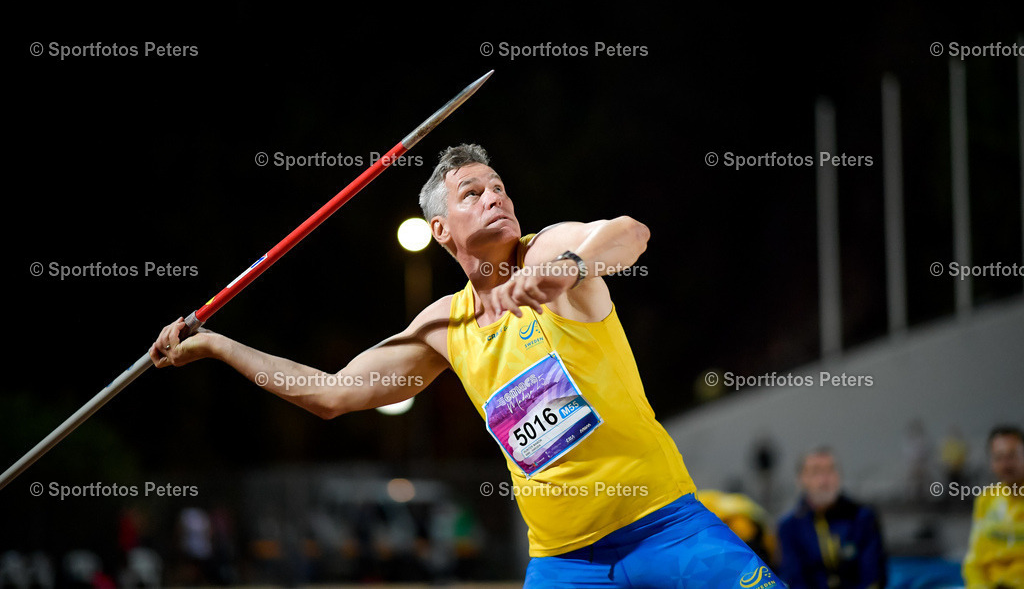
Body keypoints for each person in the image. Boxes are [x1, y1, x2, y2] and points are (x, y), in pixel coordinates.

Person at [150, 143, 783, 588]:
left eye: (500, 187)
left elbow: (628, 232)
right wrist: (215, 346)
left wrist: (569, 268)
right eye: (471, 193)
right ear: (441, 230)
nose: (494, 198)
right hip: (566, 564)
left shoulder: (550, 252)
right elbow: (331, 395)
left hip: (667, 528)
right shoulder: (442, 329)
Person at [776, 447, 887, 588]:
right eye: (816, 472)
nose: (824, 480)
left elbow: (873, 577)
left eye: (830, 470)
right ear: (801, 479)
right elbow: (793, 578)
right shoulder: (789, 526)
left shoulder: (862, 517)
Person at [962, 425, 1024, 587]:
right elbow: (974, 561)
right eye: (998, 457)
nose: (1005, 464)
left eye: (1012, 456)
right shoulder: (986, 500)